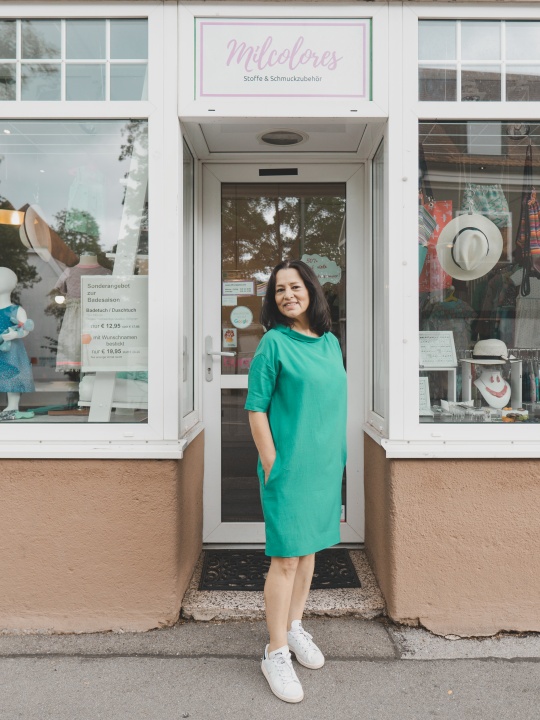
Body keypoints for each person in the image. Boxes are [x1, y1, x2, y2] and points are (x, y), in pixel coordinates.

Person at [245, 259, 347, 703]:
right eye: (279, 289)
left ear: (311, 290)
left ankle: (293, 625)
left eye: (295, 287)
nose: (287, 295)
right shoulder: (273, 343)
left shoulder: (329, 342)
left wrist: (337, 458)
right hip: (288, 468)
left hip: (323, 466)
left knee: (308, 552)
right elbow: (255, 407)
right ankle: (275, 652)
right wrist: (272, 463)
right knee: (286, 558)